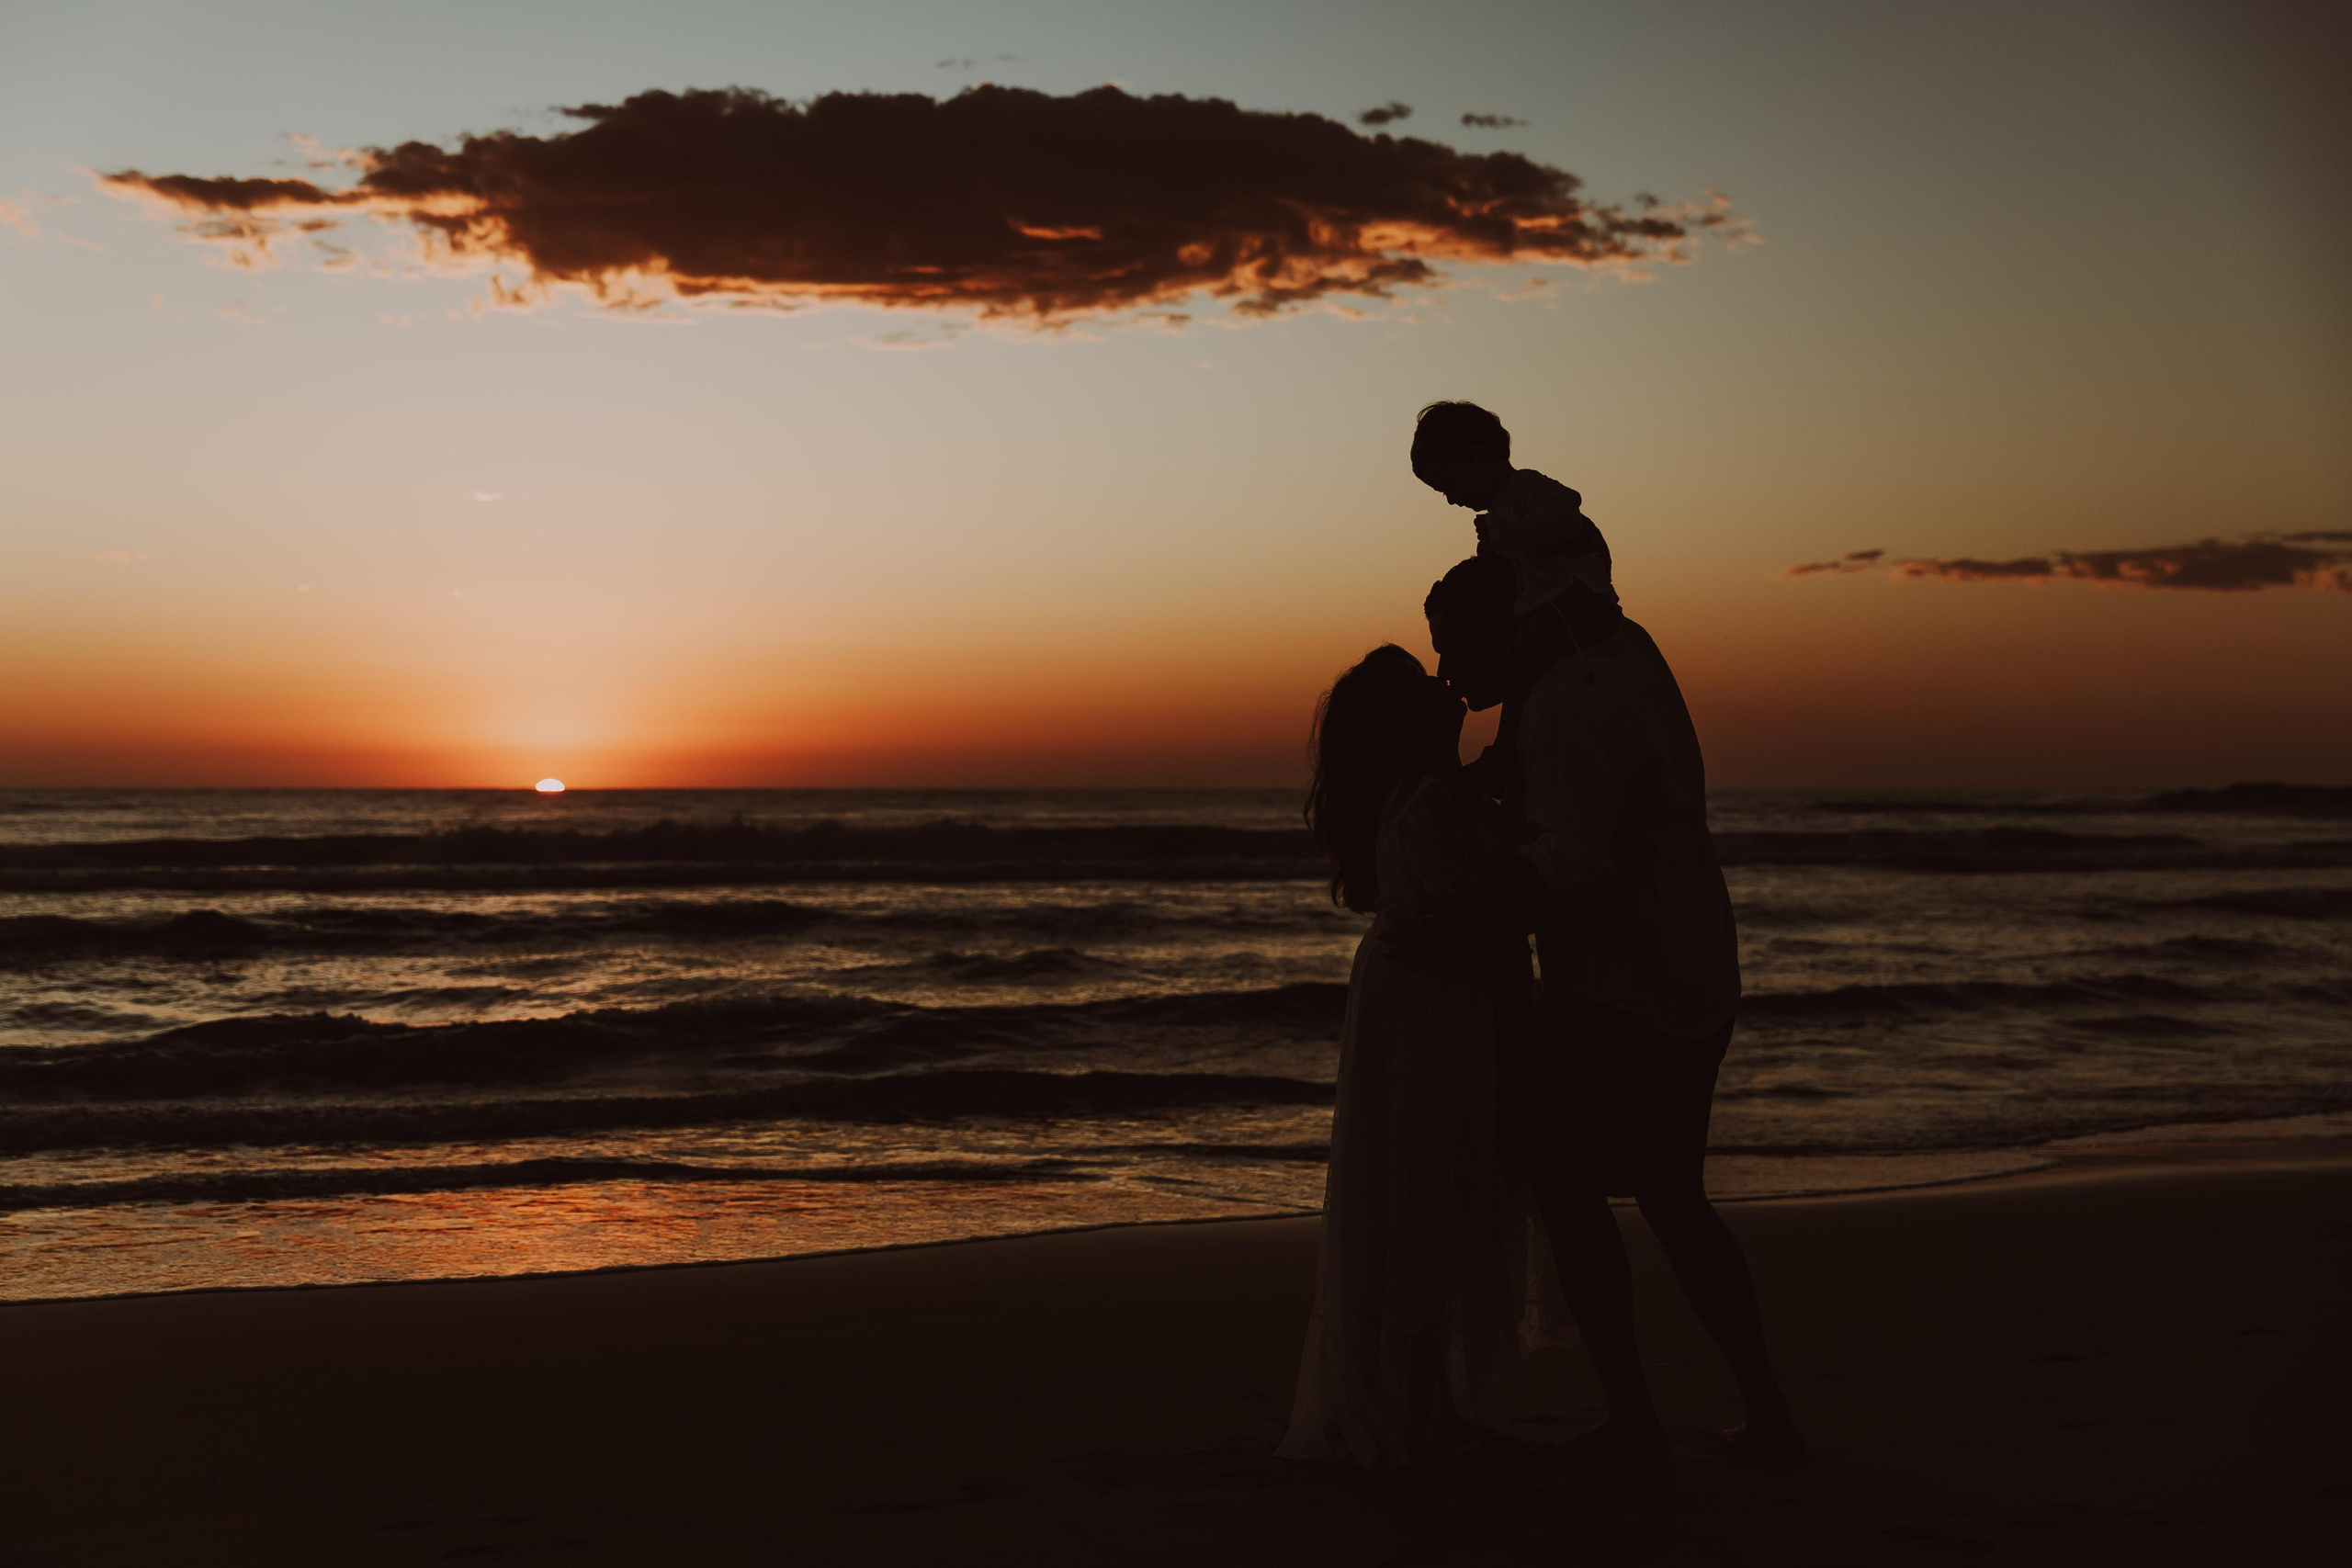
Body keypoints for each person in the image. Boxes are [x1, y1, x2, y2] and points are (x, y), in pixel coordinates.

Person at [1421, 552, 1804, 1469]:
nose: (1445, 672)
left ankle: (1634, 1418)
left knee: (1564, 1183)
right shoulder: (1626, 655)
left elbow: (1572, 868)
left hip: (1615, 978)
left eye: (1451, 648)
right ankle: (1767, 1413)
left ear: (1496, 632)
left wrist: (1458, 921)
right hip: (1697, 960)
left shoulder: (1563, 710)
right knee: (1673, 1194)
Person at [1278, 644, 1560, 1469]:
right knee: (1428, 1191)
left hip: (1429, 1005)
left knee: (1421, 1191)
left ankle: (1425, 1403)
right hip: (1436, 1015)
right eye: (1422, 685)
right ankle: (1420, 1411)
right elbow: (1501, 897)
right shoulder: (1430, 798)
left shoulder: (1433, 790)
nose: (1443, 688)